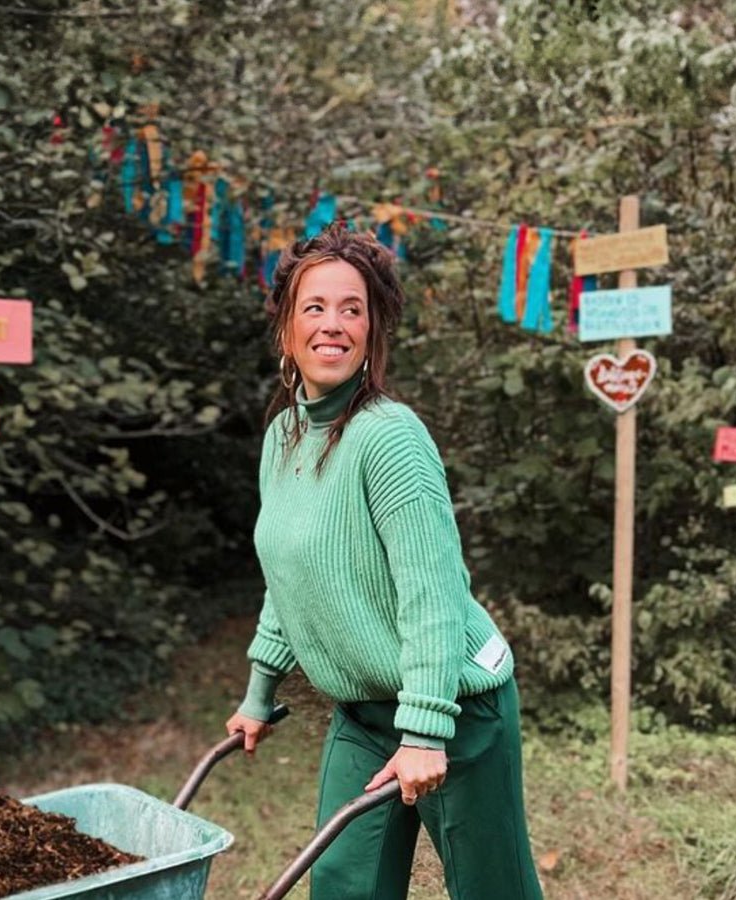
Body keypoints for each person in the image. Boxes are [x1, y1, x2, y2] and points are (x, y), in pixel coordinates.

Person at [224, 223, 545, 900]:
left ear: (372, 332)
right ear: (286, 328)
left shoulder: (389, 438)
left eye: (352, 309)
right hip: (363, 715)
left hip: (456, 709)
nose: (332, 325)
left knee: (491, 890)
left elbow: (431, 593)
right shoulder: (284, 435)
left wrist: (427, 732)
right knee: (344, 886)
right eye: (314, 308)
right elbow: (288, 577)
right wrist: (259, 694)